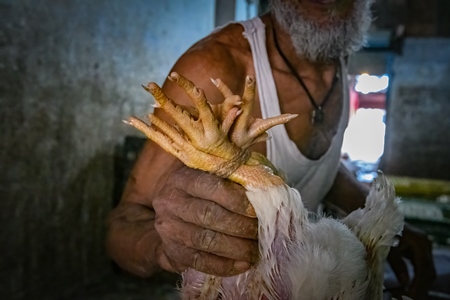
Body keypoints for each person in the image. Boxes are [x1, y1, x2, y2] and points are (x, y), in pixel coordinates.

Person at [106, 0, 436, 298]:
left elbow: (319, 166)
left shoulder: (335, 52)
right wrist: (169, 247)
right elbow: (123, 224)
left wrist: (387, 227)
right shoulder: (217, 66)